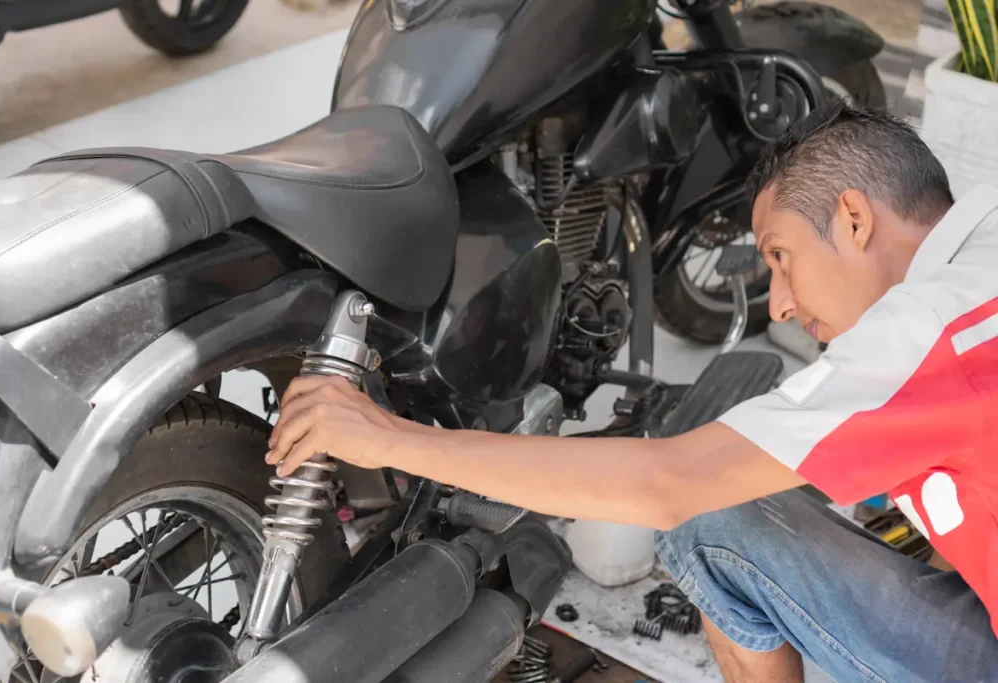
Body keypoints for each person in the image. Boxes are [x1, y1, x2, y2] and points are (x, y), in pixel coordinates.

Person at [263, 100, 998, 682]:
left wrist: (388, 438)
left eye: (780, 256)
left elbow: (671, 482)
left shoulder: (931, 332)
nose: (776, 303)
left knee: (709, 522)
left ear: (855, 218)